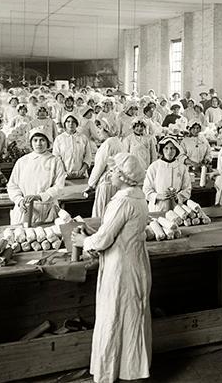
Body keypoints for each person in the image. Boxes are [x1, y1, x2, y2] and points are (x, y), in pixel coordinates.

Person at [75, 153, 152, 383]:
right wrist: (94, 233)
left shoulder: (122, 201)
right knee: (132, 318)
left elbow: (104, 241)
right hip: (136, 263)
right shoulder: (139, 197)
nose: (110, 174)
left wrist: (84, 242)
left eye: (114, 170)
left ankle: (111, 371)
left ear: (124, 176)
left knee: (115, 316)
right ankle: (132, 368)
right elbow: (117, 232)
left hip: (121, 269)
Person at [7, 126, 66, 225]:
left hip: (47, 210)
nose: (38, 143)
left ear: (48, 142)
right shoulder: (22, 161)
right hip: (25, 210)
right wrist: (20, 200)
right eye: (35, 140)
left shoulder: (55, 161)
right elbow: (12, 186)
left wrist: (40, 196)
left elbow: (59, 186)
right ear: (31, 143)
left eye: (42, 140)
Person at [142, 136, 192, 212]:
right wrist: (158, 196)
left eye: (172, 148)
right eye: (166, 148)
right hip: (158, 208)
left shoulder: (182, 168)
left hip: (177, 209)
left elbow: (187, 189)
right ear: (162, 150)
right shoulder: (154, 166)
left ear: (176, 150)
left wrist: (178, 196)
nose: (169, 152)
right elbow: (146, 189)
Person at [87, 136, 124, 218]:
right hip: (116, 182)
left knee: (101, 215)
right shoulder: (119, 142)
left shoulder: (107, 144)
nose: (98, 133)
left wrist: (90, 185)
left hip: (106, 183)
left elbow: (99, 167)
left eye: (100, 128)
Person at [52, 114, 93, 179]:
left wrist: (81, 171)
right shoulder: (59, 139)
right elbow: (56, 158)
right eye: (68, 121)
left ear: (76, 124)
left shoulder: (83, 138)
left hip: (81, 175)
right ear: (64, 124)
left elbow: (88, 156)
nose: (71, 123)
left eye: (73, 121)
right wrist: (64, 172)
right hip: (63, 175)